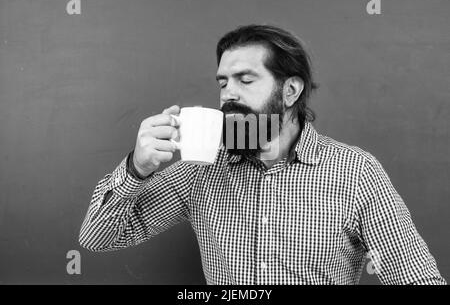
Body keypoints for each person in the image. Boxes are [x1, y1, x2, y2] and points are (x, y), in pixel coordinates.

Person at [79, 24, 446, 285]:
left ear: (289, 91)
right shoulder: (201, 170)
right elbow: (97, 238)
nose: (228, 94)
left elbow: (415, 276)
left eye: (246, 79)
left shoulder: (355, 172)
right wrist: (137, 168)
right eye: (223, 82)